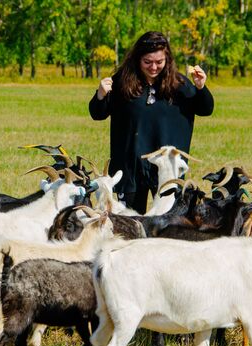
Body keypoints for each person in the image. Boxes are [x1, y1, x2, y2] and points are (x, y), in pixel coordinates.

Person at [89, 31, 214, 214]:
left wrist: (201, 87)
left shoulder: (180, 85)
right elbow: (97, 113)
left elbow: (205, 109)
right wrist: (100, 94)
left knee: (167, 224)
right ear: (137, 58)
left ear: (167, 59)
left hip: (166, 169)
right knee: (130, 223)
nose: (154, 67)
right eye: (147, 62)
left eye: (159, 62)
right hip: (130, 168)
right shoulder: (122, 83)